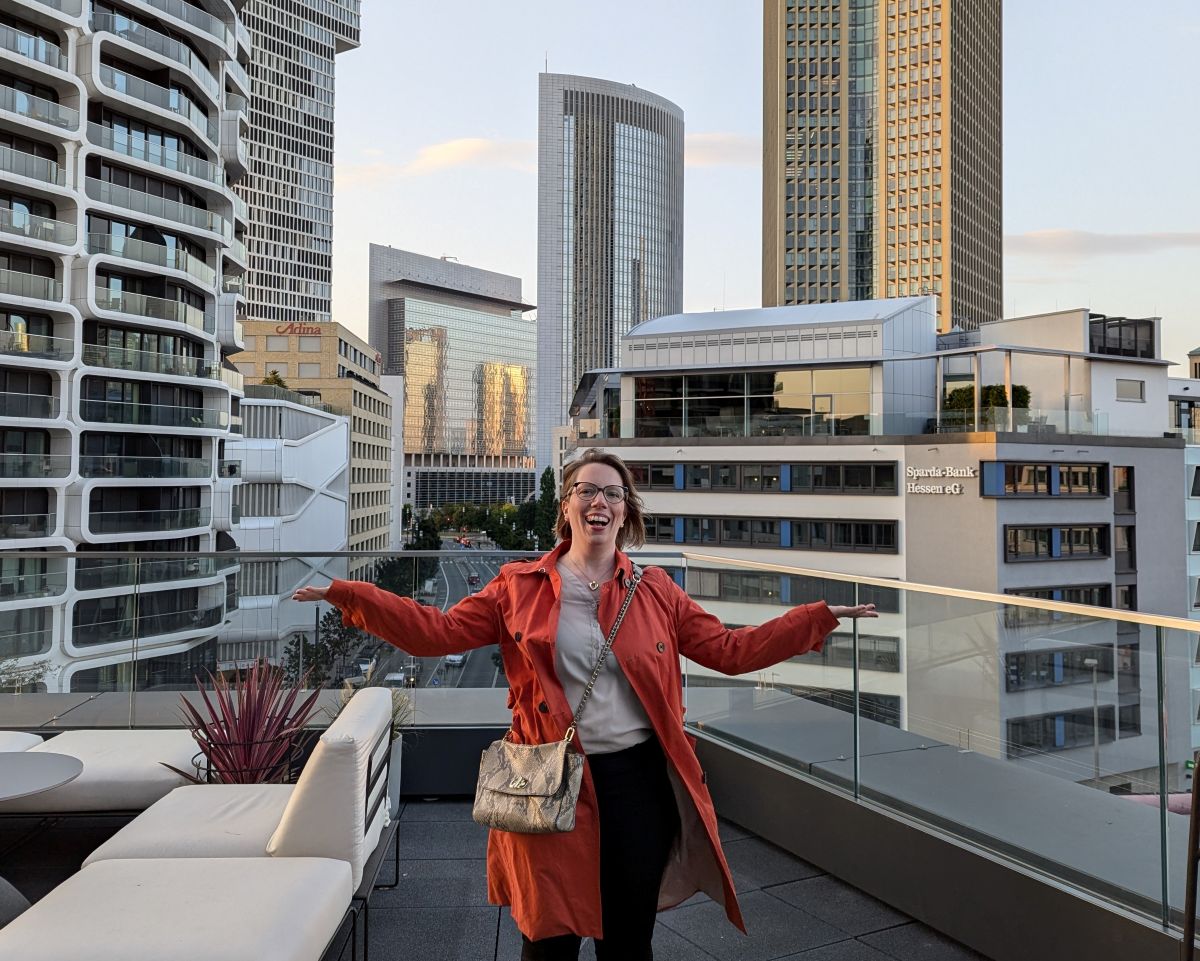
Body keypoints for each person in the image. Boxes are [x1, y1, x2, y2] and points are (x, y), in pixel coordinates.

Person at [294, 449, 876, 960]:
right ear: (566, 506)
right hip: (548, 779)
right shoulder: (517, 587)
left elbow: (728, 650)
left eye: (613, 493)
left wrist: (814, 619)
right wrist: (352, 594)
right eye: (587, 490)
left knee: (627, 938)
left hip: (636, 783)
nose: (600, 501)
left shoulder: (656, 591)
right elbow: (436, 633)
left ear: (626, 512)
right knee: (548, 939)